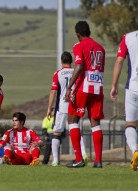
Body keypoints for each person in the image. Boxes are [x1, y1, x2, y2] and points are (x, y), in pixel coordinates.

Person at [64, 21, 105, 168]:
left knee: (73, 120)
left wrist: (69, 87)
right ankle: (98, 161)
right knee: (95, 123)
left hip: (84, 87)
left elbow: (80, 66)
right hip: (98, 86)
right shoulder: (101, 48)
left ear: (78, 34)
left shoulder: (79, 46)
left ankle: (79, 159)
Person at [47, 51, 88, 166]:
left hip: (62, 106)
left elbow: (53, 91)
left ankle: (55, 160)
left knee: (56, 132)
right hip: (75, 104)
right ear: (72, 61)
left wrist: (49, 108)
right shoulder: (78, 71)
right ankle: (83, 154)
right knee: (76, 130)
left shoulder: (58, 74)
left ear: (61, 61)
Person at [110, 30, 138, 171]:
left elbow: (119, 60)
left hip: (132, 88)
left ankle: (135, 151)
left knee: (130, 125)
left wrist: (114, 85)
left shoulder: (127, 37)